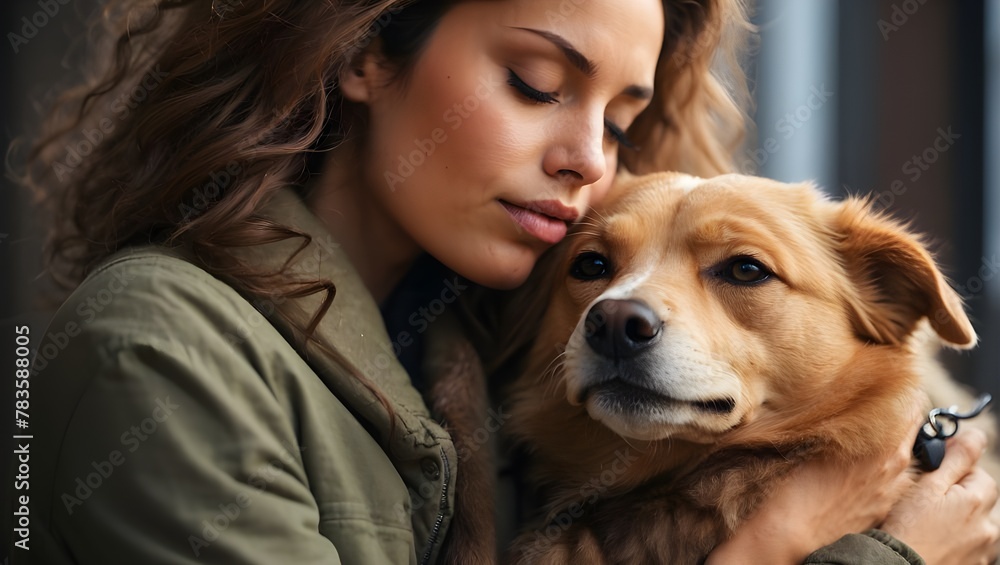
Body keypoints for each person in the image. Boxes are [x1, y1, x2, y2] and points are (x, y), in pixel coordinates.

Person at [6, 0, 997, 563]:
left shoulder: (480, 346)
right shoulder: (158, 356)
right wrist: (801, 544)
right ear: (361, 53)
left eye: (616, 119)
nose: (585, 159)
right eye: (534, 82)